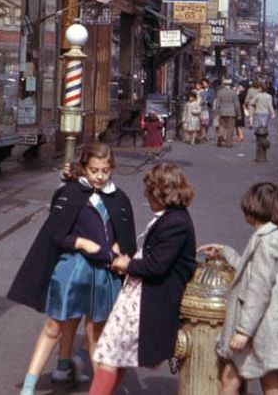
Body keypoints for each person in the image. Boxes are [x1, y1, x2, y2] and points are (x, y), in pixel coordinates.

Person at [7, 143, 136, 395]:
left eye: (106, 171)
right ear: (84, 167)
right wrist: (81, 243)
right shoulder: (71, 193)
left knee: (96, 332)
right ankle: (30, 386)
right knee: (55, 325)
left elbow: (128, 235)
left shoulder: (119, 198)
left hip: (104, 273)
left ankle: (97, 387)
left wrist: (121, 245)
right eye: (95, 170)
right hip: (73, 270)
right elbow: (55, 234)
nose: (100, 176)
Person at [87, 163, 197, 394]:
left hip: (146, 301)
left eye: (149, 192)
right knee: (116, 355)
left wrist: (127, 264)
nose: (147, 198)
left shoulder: (174, 222)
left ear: (159, 194)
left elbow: (156, 265)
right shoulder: (173, 217)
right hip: (140, 297)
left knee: (110, 354)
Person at [199, 182, 278, 395]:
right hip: (268, 329)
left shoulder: (266, 241)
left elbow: (259, 290)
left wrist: (243, 331)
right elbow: (251, 272)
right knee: (271, 386)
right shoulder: (272, 236)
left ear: (253, 209)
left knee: (230, 380)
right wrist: (224, 251)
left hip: (259, 329)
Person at [214, 78, 241, 147]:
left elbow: (217, 104)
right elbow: (237, 105)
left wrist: (216, 113)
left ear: (224, 84)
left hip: (222, 111)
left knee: (222, 126)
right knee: (230, 128)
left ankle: (220, 138)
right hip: (231, 112)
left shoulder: (220, 92)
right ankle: (228, 143)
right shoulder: (233, 92)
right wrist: (239, 114)